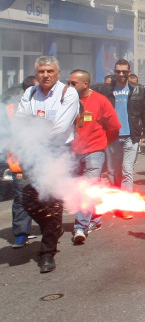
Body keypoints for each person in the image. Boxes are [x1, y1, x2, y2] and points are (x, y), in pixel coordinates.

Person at [16, 56, 80, 272]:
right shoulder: (30, 93)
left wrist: (35, 126)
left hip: (57, 153)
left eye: (49, 71)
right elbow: (20, 120)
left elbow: (60, 128)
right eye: (41, 71)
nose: (45, 75)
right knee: (27, 199)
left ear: (57, 73)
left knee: (52, 204)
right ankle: (52, 228)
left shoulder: (68, 93)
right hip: (33, 152)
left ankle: (47, 253)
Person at [68, 69, 120, 244]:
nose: (69, 86)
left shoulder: (100, 100)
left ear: (85, 84)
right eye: (68, 82)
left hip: (94, 152)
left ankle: (80, 227)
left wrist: (104, 143)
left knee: (87, 188)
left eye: (73, 83)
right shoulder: (66, 100)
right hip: (73, 152)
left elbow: (114, 125)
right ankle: (95, 218)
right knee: (80, 188)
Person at [99, 59, 145, 219]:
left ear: (129, 72)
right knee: (113, 172)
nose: (121, 74)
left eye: (124, 71)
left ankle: (126, 205)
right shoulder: (106, 90)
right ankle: (116, 202)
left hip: (131, 136)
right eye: (118, 71)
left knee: (127, 170)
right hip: (112, 137)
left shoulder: (138, 90)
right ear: (114, 72)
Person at [5, 75, 38, 249]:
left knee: (44, 195)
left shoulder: (44, 106)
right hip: (19, 160)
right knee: (21, 196)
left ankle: (48, 229)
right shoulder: (11, 109)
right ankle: (21, 234)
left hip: (42, 161)